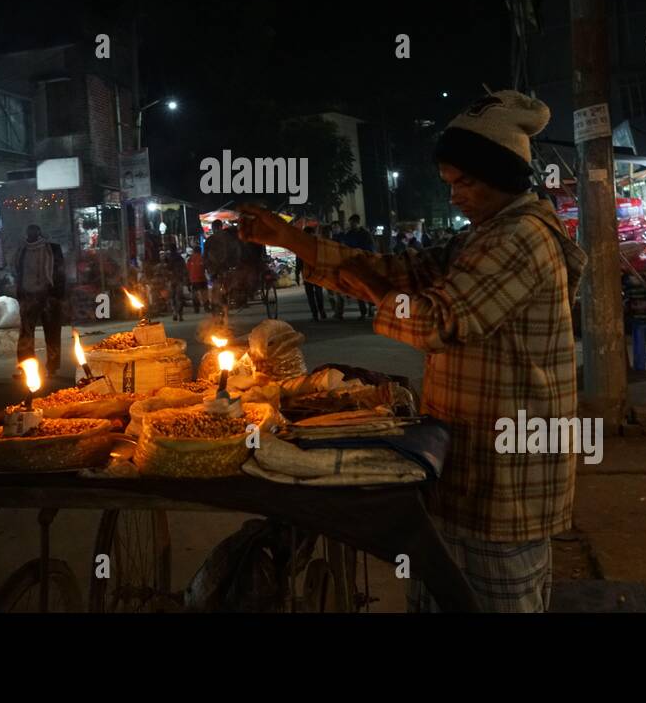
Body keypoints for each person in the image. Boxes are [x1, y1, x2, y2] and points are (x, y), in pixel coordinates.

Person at [237, 91, 586, 613]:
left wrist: (384, 295)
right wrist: (295, 241)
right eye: (450, 184)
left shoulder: (521, 237)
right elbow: (400, 271)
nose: (456, 197)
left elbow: (439, 320)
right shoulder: (482, 236)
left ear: (503, 176)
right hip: (461, 466)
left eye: (464, 182)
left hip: (503, 480)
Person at [13, 224, 65, 376]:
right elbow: (18, 270)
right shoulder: (22, 250)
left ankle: (52, 367)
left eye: (34, 232)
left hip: (48, 294)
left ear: (39, 232)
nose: (31, 235)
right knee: (26, 334)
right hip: (28, 295)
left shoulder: (52, 249)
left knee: (52, 332)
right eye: (29, 232)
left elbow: (60, 273)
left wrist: (58, 296)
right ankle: (25, 366)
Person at [340, 214, 376, 319]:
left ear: (357, 223)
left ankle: (370, 308)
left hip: (364, 264)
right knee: (358, 290)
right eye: (350, 223)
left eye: (353, 223)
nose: (351, 225)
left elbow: (371, 249)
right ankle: (363, 311)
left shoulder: (365, 234)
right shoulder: (349, 235)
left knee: (367, 289)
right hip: (354, 266)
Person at [299, 226, 326, 321]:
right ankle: (315, 313)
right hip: (307, 275)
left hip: (316, 274)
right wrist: (298, 273)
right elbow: (299, 260)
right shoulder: (301, 245)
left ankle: (320, 311)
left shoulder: (317, 244)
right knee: (311, 296)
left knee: (318, 294)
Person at [164, 245, 188, 321]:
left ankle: (174, 312)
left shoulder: (167, 258)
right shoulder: (180, 258)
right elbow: (184, 269)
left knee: (172, 297)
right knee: (179, 298)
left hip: (171, 280)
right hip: (179, 279)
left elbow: (166, 269)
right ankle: (180, 315)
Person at [185, 245, 209, 313]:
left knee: (195, 295)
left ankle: (196, 309)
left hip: (193, 280)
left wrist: (187, 282)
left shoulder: (190, 259)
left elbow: (187, 270)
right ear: (200, 251)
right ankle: (206, 307)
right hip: (202, 279)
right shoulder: (203, 258)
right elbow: (206, 267)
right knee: (204, 294)